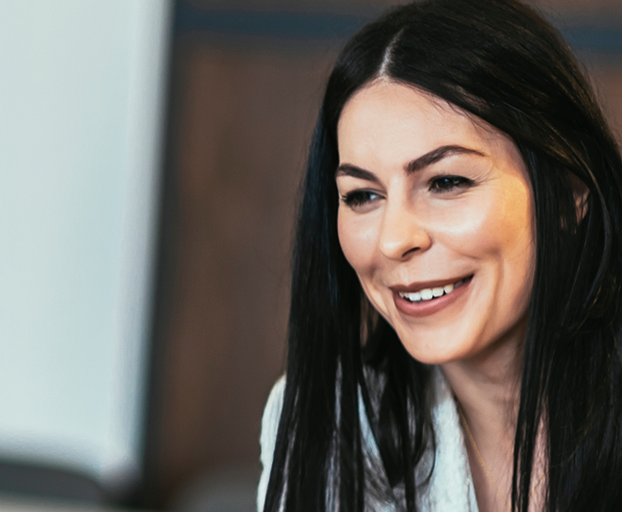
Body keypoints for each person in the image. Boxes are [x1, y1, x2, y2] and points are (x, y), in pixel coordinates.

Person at [257, 0, 622, 510]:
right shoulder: (333, 420)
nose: (393, 240)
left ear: (568, 194)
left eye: (446, 181)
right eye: (363, 196)